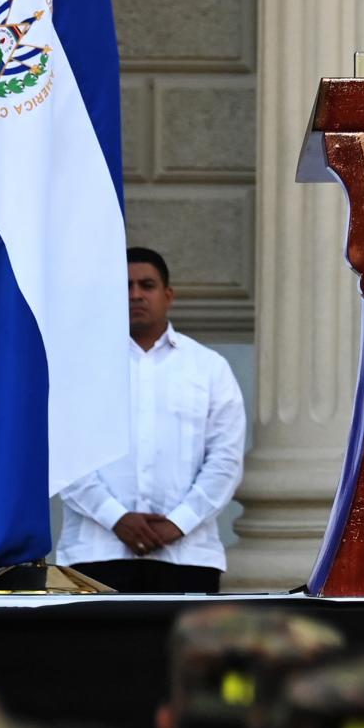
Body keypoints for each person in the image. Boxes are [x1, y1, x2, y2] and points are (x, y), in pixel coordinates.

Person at [56, 247, 245, 594]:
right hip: (96, 552)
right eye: (125, 286)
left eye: (146, 285)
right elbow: (65, 453)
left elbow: (226, 459)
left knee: (183, 650)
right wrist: (116, 518)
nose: (135, 295)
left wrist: (179, 522)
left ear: (167, 295)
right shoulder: (80, 368)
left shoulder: (208, 367)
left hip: (187, 555)